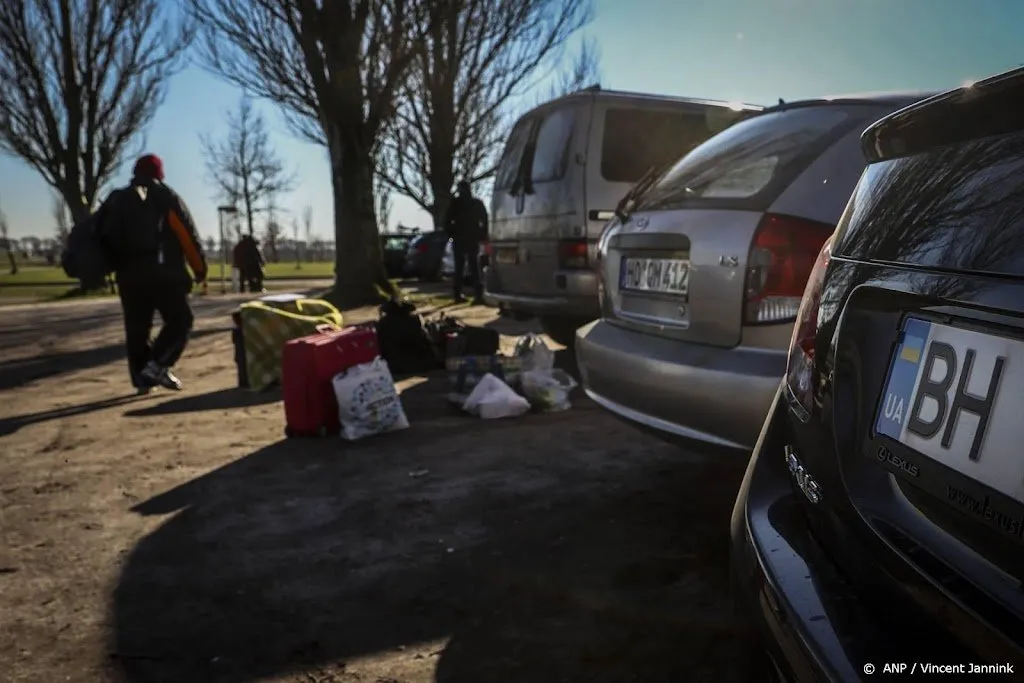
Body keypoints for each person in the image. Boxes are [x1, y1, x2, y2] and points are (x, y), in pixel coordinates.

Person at [101, 154, 207, 393]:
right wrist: (199, 269)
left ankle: (142, 380)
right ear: (159, 173)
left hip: (128, 278)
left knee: (137, 328)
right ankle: (158, 364)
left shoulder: (117, 200)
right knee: (181, 321)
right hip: (164, 274)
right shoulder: (165, 197)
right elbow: (187, 236)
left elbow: (104, 238)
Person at [443, 180, 488, 303]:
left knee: (460, 267)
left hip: (460, 238)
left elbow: (447, 222)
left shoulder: (455, 204)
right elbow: (484, 220)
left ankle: (458, 294)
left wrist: (452, 234)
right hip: (471, 237)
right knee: (474, 266)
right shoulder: (476, 203)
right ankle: (477, 295)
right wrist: (482, 235)